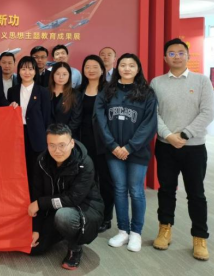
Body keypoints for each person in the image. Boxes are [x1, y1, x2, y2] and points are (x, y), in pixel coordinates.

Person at [150, 38, 214, 261]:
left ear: (188, 55)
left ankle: (200, 237)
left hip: (194, 148)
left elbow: (207, 112)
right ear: (165, 57)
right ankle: (164, 229)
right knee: (166, 190)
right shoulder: (157, 83)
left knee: (196, 193)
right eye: (171, 53)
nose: (176, 56)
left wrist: (185, 134)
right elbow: (153, 114)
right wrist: (169, 135)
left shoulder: (202, 81)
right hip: (165, 146)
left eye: (180, 52)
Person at [95, 53, 158, 253]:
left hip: (137, 151)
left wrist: (130, 147)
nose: (127, 68)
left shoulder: (147, 93)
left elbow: (149, 124)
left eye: (132, 65)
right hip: (113, 150)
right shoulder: (107, 91)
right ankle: (123, 230)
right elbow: (100, 120)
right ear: (118, 67)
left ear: (138, 69)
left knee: (136, 190)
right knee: (120, 189)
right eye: (123, 65)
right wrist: (113, 145)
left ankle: (136, 232)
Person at [29, 124, 104, 271]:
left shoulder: (84, 163)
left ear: (72, 143)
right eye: (52, 145)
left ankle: (75, 247)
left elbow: (73, 199)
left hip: (85, 209)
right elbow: (37, 194)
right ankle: (63, 232)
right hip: (54, 210)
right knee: (34, 249)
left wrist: (40, 203)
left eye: (62, 145)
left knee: (64, 216)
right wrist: (36, 229)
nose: (57, 151)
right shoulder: (41, 161)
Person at [79, 55, 115, 233]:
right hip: (82, 142)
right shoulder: (79, 90)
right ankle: (89, 213)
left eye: (95, 66)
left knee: (106, 181)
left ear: (102, 70)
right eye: (87, 66)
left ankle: (106, 217)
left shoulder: (110, 90)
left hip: (104, 142)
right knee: (87, 179)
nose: (91, 70)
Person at [8, 57, 51, 197]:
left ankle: (35, 200)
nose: (27, 72)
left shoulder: (43, 91)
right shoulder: (12, 91)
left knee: (36, 171)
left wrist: (47, 138)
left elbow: (47, 117)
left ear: (35, 71)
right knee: (19, 170)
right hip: (18, 135)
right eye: (23, 69)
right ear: (19, 71)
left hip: (37, 136)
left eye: (31, 69)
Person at [47, 62, 82, 137]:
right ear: (52, 75)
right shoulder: (44, 92)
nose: (61, 77)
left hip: (66, 136)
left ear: (69, 76)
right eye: (57, 74)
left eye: (64, 74)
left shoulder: (75, 94)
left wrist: (64, 135)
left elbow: (75, 119)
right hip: (46, 135)